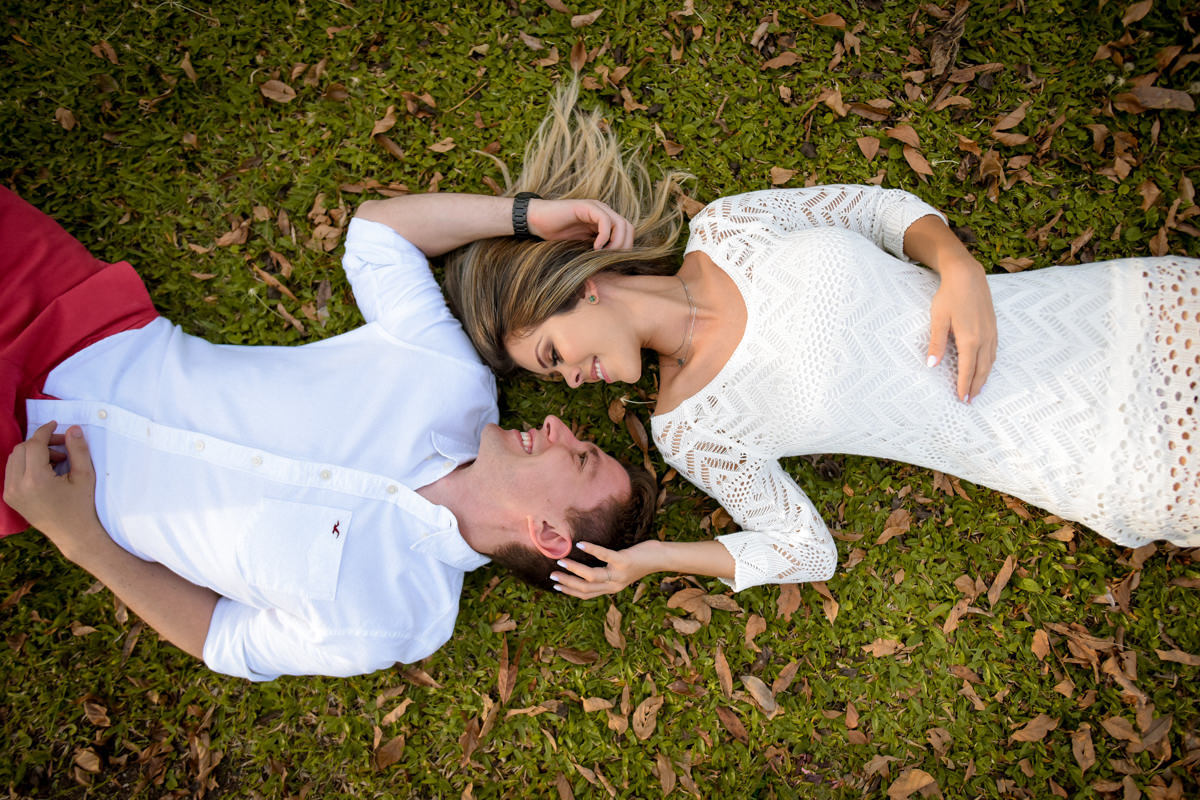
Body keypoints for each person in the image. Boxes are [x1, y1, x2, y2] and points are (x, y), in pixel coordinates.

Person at [442, 81, 1200, 599]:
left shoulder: (730, 227)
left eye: (553, 354)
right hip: (1101, 449)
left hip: (1113, 311)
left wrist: (957, 265)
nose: (570, 381)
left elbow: (878, 210)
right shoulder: (691, 429)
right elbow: (805, 549)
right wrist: (650, 560)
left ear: (580, 285)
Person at [0, 185, 656, 680]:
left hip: (29, 474)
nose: (558, 425)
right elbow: (379, 236)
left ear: (547, 535)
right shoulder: (451, 380)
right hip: (75, 318)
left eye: (581, 455)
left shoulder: (395, 621)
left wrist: (78, 539)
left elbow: (223, 641)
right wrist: (529, 216)